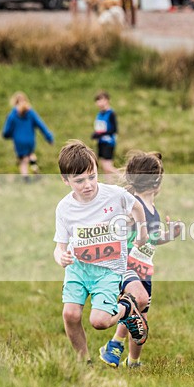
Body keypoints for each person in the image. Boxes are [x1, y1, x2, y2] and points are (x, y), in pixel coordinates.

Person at [54, 140, 150, 363]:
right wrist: (61, 257)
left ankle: (127, 310)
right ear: (65, 180)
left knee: (100, 322)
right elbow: (59, 247)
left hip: (108, 270)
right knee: (70, 314)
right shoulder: (64, 208)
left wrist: (142, 232)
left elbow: (136, 206)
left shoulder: (114, 195)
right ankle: (84, 362)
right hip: (78, 269)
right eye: (79, 181)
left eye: (92, 176)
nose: (87, 185)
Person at [99, 151, 182, 368]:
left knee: (140, 320)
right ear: (157, 182)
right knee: (137, 304)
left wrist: (170, 235)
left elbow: (151, 241)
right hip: (127, 267)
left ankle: (133, 362)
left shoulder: (153, 211)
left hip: (145, 270)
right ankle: (114, 344)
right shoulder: (132, 204)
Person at [2, 91, 54, 182]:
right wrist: (49, 137)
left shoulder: (12, 115)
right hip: (30, 140)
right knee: (31, 155)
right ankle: (35, 169)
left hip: (19, 141)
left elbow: (6, 132)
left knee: (23, 160)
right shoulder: (31, 113)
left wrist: (10, 134)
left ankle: (26, 178)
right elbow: (41, 125)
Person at [91, 90, 119, 176]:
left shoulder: (111, 114)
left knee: (108, 167)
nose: (99, 102)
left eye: (101, 100)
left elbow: (114, 130)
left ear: (107, 100)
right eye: (98, 100)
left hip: (108, 143)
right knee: (104, 167)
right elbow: (99, 128)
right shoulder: (99, 114)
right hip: (101, 143)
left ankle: (124, 176)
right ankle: (109, 186)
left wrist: (101, 134)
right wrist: (95, 134)